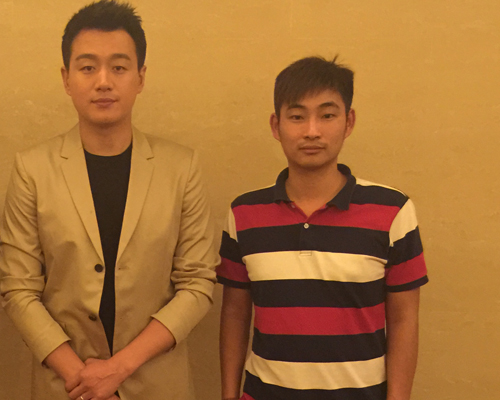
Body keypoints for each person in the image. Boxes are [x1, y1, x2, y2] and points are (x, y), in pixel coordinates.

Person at [0, 1, 218, 399]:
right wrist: (82, 376)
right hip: (66, 386)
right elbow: (18, 288)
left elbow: (197, 283)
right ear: (66, 78)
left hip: (156, 384)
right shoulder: (32, 169)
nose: (103, 81)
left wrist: (118, 368)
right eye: (88, 67)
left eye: (118, 67)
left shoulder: (181, 168)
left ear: (140, 77)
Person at [217, 56, 429, 400]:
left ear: (349, 122)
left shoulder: (393, 211)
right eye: (297, 116)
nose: (312, 131)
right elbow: (234, 315)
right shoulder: (244, 214)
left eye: (327, 115)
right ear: (276, 125)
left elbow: (404, 320)